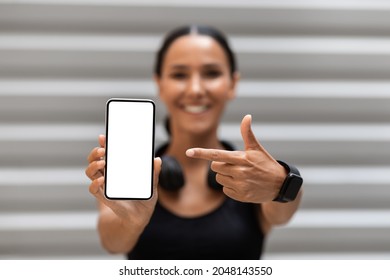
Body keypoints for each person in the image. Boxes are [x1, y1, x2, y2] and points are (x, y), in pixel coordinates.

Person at [85, 25, 303, 260]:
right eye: (179, 75)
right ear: (160, 84)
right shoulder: (133, 173)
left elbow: (282, 215)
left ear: (232, 83)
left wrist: (282, 183)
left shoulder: (252, 175)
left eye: (211, 73)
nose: (195, 89)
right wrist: (132, 221)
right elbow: (112, 243)